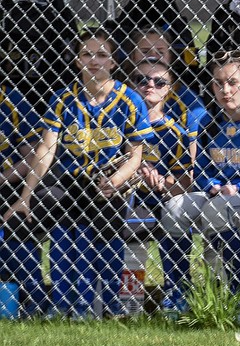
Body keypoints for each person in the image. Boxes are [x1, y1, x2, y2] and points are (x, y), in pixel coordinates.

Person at [2, 27, 152, 317]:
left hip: (109, 180)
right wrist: (25, 195)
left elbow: (136, 156)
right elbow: (46, 150)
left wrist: (116, 180)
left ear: (113, 62)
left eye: (102, 55)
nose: (94, 61)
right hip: (71, 180)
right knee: (50, 206)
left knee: (106, 223)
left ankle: (107, 305)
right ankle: (60, 303)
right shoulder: (63, 99)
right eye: (86, 54)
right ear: (76, 60)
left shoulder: (129, 100)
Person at [160, 50, 240, 324]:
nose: (225, 90)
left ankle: (239, 294)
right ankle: (179, 293)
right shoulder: (210, 123)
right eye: (218, 83)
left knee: (219, 208)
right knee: (173, 209)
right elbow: (203, 172)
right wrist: (213, 185)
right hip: (224, 197)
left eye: (232, 82)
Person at [123, 58, 197, 313]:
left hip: (164, 200)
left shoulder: (174, 131)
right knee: (132, 227)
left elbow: (185, 181)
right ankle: (129, 303)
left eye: (159, 81)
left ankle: (176, 299)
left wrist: (163, 183)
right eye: (141, 80)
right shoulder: (121, 125)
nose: (149, 85)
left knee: (175, 221)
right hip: (130, 199)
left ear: (170, 88)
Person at [0, 83, 41, 313]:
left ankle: (34, 302)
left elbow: (34, 155)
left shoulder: (10, 99)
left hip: (8, 185)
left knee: (15, 226)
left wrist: (3, 178)